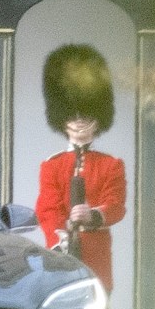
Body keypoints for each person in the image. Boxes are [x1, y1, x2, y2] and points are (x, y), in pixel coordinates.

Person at [34, 44, 126, 293]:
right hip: (61, 256)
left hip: (97, 257)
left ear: (98, 120)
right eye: (72, 116)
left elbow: (116, 205)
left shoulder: (111, 165)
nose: (79, 122)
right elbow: (48, 209)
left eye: (86, 116)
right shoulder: (51, 166)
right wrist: (59, 240)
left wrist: (93, 215)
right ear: (62, 121)